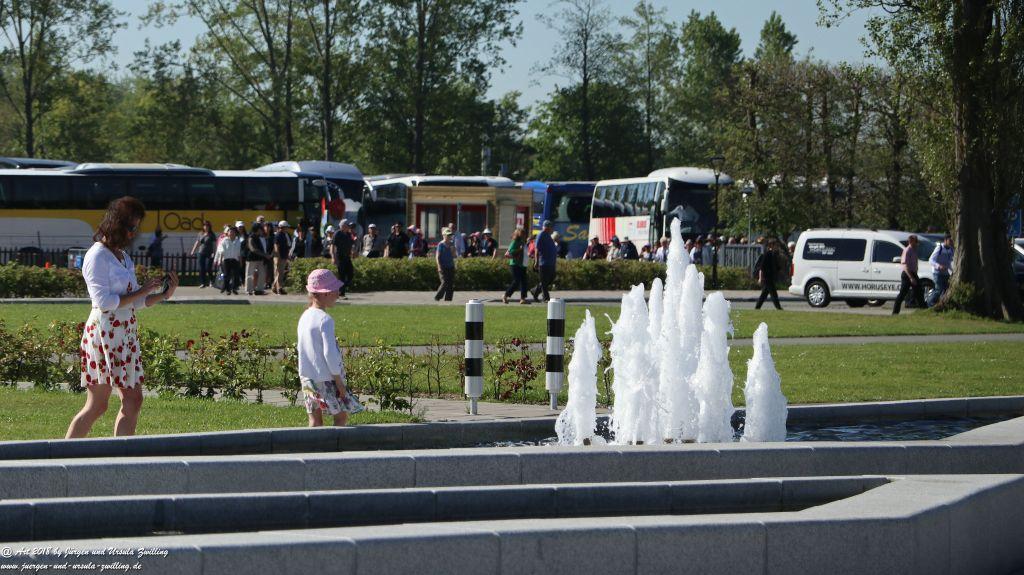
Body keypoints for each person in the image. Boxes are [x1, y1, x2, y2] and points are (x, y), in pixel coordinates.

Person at [66, 196, 179, 439]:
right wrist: (142, 290)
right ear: (115, 224)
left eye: (136, 228)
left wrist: (162, 295)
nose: (132, 233)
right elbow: (104, 303)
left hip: (124, 334)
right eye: (130, 227)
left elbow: (136, 301)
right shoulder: (97, 256)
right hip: (104, 335)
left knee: (132, 399)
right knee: (98, 405)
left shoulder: (122, 256)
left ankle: (121, 456)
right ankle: (63, 456)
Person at [297, 269, 363, 427]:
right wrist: (339, 381)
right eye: (335, 291)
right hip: (327, 378)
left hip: (307, 377)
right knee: (340, 417)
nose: (338, 294)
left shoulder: (305, 316)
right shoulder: (325, 320)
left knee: (314, 420)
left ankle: (314, 450)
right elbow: (330, 354)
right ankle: (336, 448)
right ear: (324, 293)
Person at [893, 234, 925, 315]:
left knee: (919, 292)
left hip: (913, 273)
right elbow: (905, 265)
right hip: (907, 274)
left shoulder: (914, 250)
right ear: (911, 241)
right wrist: (911, 278)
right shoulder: (907, 250)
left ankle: (924, 311)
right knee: (902, 293)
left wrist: (915, 271)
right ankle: (895, 312)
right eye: (915, 241)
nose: (917, 243)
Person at [531, 220, 558, 302]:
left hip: (550, 263)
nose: (552, 229)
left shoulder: (548, 235)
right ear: (547, 227)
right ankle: (546, 298)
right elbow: (537, 249)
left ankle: (535, 290)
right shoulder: (541, 235)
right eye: (551, 227)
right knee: (544, 280)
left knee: (550, 279)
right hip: (544, 262)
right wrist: (536, 261)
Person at [754, 239, 783, 310]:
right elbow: (762, 267)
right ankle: (778, 308)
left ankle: (757, 307)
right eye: (775, 245)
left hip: (771, 277)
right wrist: (760, 278)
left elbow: (776, 266)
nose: (777, 247)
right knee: (774, 293)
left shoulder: (774, 254)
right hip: (767, 277)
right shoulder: (767, 254)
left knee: (764, 294)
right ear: (771, 245)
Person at [502, 228, 530, 304]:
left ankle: (523, 298)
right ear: (518, 233)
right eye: (522, 233)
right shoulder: (515, 241)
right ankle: (505, 295)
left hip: (522, 265)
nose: (524, 235)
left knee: (524, 282)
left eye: (524, 233)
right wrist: (519, 249)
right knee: (516, 281)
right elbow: (510, 252)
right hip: (515, 264)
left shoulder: (522, 242)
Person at [928, 234, 954, 307]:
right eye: (950, 240)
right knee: (939, 289)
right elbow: (931, 260)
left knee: (947, 289)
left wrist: (952, 270)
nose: (951, 242)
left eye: (952, 241)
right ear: (945, 240)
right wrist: (939, 266)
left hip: (945, 273)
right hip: (937, 273)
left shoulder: (951, 250)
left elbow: (949, 262)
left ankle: (942, 305)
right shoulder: (939, 248)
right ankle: (930, 304)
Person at [215, 226, 243, 295]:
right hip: (226, 260)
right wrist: (220, 260)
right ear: (228, 233)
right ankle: (227, 289)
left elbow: (239, 252)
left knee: (235, 275)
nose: (232, 233)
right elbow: (221, 251)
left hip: (235, 260)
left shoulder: (238, 241)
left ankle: (234, 288)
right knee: (226, 275)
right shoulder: (224, 240)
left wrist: (240, 261)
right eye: (230, 231)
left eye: (233, 232)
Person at [245, 224, 271, 296]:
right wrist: (265, 255)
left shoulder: (259, 237)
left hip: (260, 259)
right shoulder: (251, 237)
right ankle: (249, 290)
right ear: (257, 229)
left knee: (262, 274)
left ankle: (259, 289)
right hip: (251, 259)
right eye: (260, 229)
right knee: (249, 275)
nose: (262, 230)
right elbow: (253, 249)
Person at [190, 221, 217, 288]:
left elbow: (214, 245)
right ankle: (203, 283)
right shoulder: (200, 233)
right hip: (201, 252)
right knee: (201, 268)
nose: (206, 227)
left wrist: (214, 252)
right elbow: (197, 242)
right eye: (205, 226)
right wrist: (193, 251)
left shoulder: (212, 234)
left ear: (209, 227)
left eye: (207, 226)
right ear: (203, 227)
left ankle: (211, 280)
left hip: (209, 253)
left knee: (208, 268)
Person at [434, 227, 456, 302]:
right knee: (444, 282)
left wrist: (453, 250)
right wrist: (439, 266)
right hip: (443, 267)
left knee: (450, 284)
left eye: (450, 235)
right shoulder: (440, 245)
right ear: (444, 235)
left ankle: (448, 300)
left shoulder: (452, 244)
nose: (449, 236)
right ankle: (437, 297)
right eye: (447, 235)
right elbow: (437, 257)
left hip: (450, 266)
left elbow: (453, 256)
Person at [272, 220, 292, 295]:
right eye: (286, 227)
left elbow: (288, 246)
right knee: (279, 273)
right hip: (278, 257)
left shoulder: (286, 235)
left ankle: (275, 287)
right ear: (282, 227)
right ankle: (279, 288)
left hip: (284, 256)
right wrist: (278, 257)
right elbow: (276, 246)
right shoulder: (278, 235)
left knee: (280, 273)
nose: (287, 228)